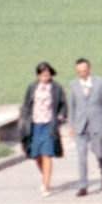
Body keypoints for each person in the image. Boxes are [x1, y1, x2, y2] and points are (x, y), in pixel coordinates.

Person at [17, 61, 68, 196]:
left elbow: (63, 104)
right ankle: (46, 176)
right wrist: (23, 121)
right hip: (34, 124)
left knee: (47, 153)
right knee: (37, 155)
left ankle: (46, 185)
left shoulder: (56, 88)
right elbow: (27, 105)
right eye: (43, 75)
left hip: (49, 124)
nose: (46, 77)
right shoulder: (32, 87)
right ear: (38, 75)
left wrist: (61, 117)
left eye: (48, 74)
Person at [64, 58, 102, 197]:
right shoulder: (73, 85)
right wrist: (71, 125)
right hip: (80, 125)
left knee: (99, 153)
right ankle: (83, 186)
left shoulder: (100, 82)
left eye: (85, 71)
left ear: (89, 68)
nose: (82, 74)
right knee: (81, 156)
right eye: (79, 71)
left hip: (96, 123)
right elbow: (72, 106)